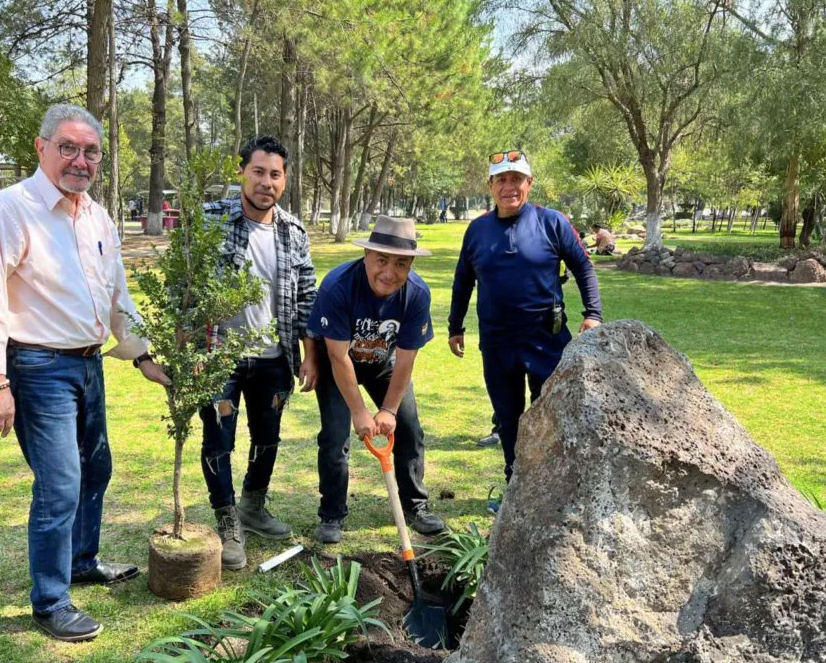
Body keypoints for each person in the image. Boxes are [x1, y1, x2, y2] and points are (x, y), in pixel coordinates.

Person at [0, 104, 170, 643]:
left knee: (96, 470)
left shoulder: (96, 216)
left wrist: (141, 352)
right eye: (68, 148)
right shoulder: (9, 210)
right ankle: (50, 600)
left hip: (87, 364)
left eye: (91, 151)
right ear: (42, 148)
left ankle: (81, 560)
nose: (80, 160)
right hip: (35, 367)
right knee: (59, 484)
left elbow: (115, 291)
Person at [447, 150, 603, 487]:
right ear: (490, 186)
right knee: (508, 416)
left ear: (529, 184)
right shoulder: (477, 230)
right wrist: (455, 326)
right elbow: (463, 280)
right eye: (501, 179)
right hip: (498, 341)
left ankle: (552, 484)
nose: (509, 186)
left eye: (516, 179)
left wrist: (593, 314)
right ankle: (515, 482)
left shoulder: (552, 222)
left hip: (547, 337)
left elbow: (583, 267)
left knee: (551, 411)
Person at [199, 135, 318, 571]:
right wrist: (189, 346)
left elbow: (306, 296)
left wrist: (310, 354)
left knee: (267, 437)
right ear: (242, 173)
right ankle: (227, 519)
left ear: (284, 180)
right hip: (219, 358)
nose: (266, 182)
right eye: (258, 171)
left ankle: (253, 504)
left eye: (275, 174)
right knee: (220, 439)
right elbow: (186, 286)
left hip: (274, 359)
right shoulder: (210, 220)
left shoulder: (294, 232)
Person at [309, 216, 445, 543]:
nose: (389, 272)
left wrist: (389, 410)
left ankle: (415, 506)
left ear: (411, 264)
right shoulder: (338, 286)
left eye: (401, 264)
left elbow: (407, 358)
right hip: (339, 366)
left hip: (385, 364)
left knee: (411, 430)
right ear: (367, 255)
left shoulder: (416, 294)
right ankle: (332, 514)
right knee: (335, 437)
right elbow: (338, 357)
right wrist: (359, 412)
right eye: (381, 260)